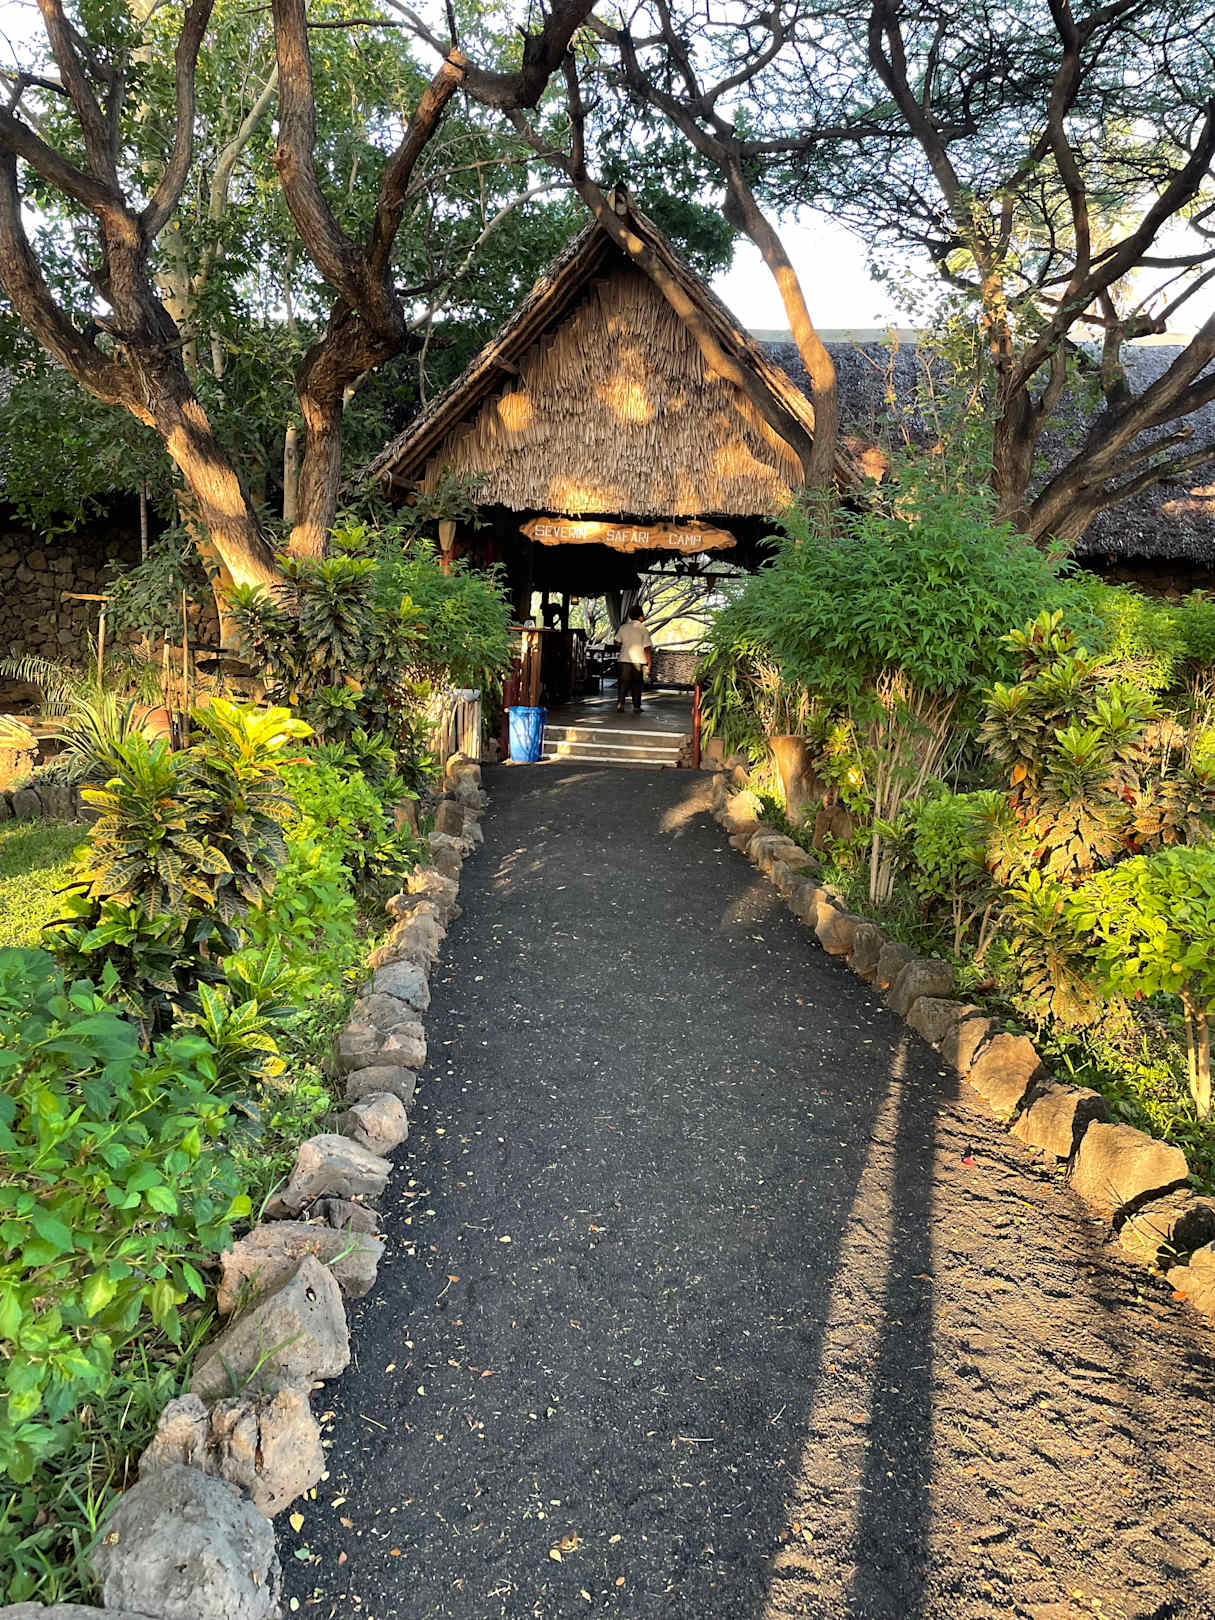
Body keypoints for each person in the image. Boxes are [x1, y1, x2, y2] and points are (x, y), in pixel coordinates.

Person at [615, 606, 653, 714]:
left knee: (623, 683)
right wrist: (649, 662)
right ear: (640, 617)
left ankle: (620, 704)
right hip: (638, 661)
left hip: (623, 659)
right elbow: (647, 648)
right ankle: (636, 707)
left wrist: (624, 644)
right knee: (637, 684)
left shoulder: (623, 627)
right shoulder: (643, 629)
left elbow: (617, 642)